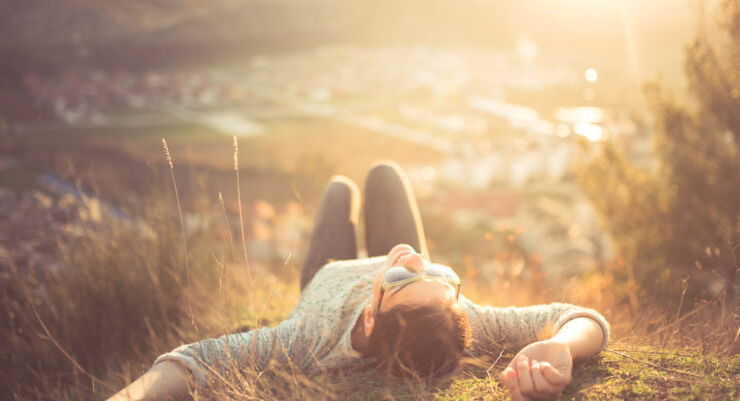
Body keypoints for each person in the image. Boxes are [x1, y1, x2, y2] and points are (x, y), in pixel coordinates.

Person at [108, 161, 609, 401]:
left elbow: (194, 363)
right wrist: (565, 345)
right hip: (404, 295)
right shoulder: (464, 314)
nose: (415, 259)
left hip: (325, 274)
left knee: (339, 191)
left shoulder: (308, 340)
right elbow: (581, 319)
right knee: (387, 176)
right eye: (438, 274)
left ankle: (343, 201)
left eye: (400, 277)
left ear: (372, 312)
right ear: (456, 298)